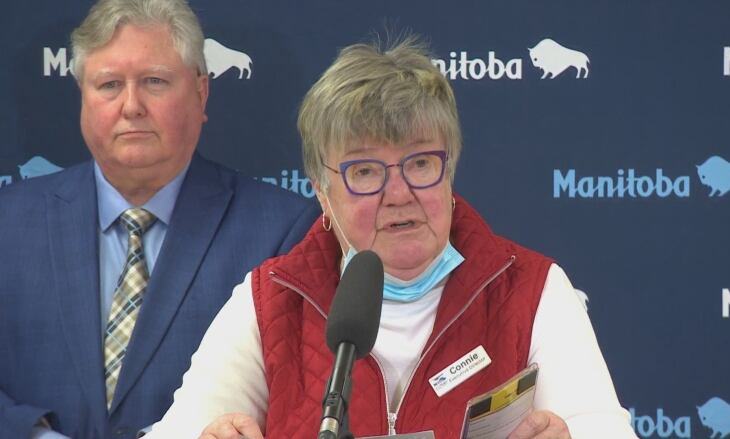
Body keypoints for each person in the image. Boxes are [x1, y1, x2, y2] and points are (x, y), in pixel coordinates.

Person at [147, 37, 639, 439]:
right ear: (321, 192)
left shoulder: (531, 288)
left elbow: (602, 428)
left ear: (450, 174)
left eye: (421, 163)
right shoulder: (273, 298)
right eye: (364, 171)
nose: (399, 193)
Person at [0, 0, 319, 438]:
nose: (131, 106)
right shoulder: (8, 223)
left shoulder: (283, 231)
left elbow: (298, 400)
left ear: (201, 92)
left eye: (154, 81)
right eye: (109, 85)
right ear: (82, 98)